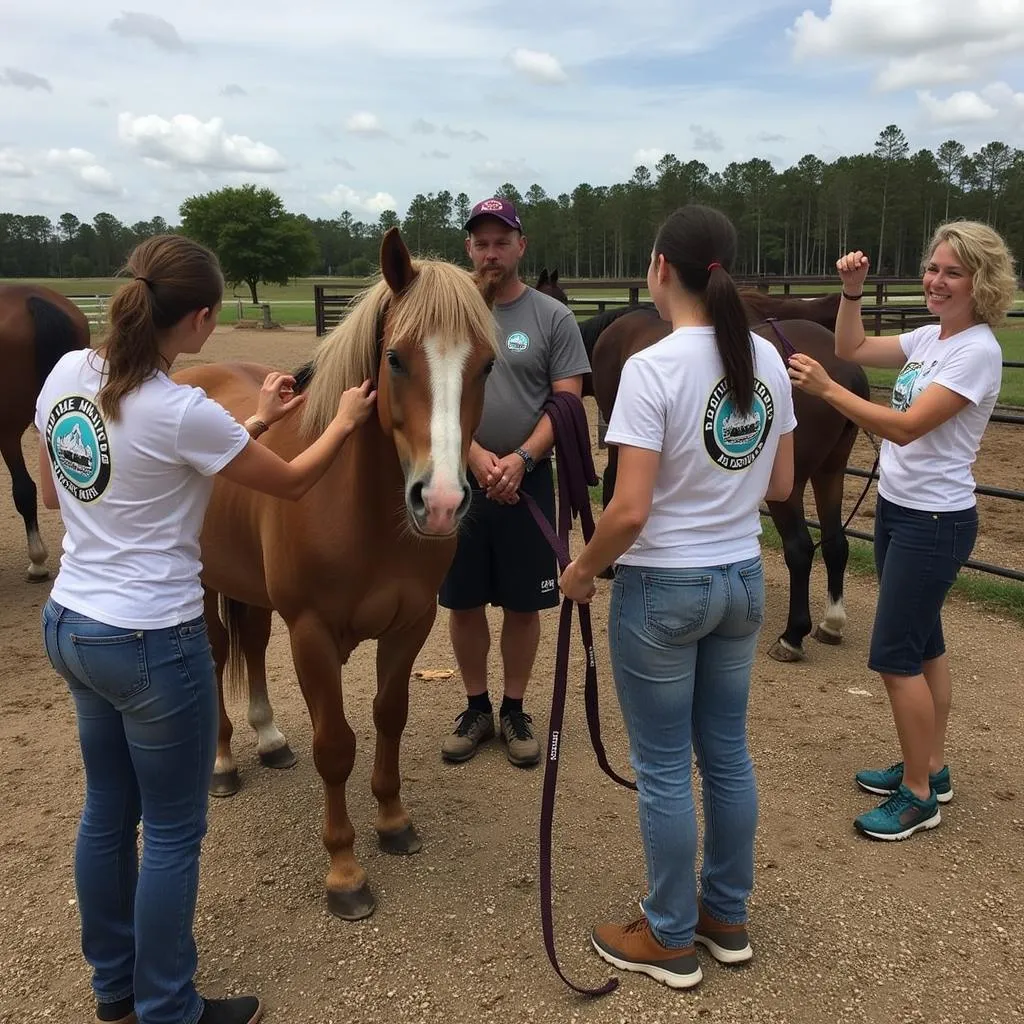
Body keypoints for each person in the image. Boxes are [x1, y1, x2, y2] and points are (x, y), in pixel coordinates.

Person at [34, 234, 376, 1024]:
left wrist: (253, 420)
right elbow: (292, 483)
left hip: (73, 623)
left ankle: (115, 987)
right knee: (177, 832)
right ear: (198, 319)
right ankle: (168, 1007)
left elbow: (55, 497)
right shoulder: (179, 408)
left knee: (107, 815)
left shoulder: (66, 376)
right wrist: (345, 420)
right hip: (152, 642)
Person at [559, 204, 796, 989]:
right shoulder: (764, 358)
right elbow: (785, 484)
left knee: (663, 769)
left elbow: (627, 510)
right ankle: (724, 916)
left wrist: (582, 569)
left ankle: (666, 935)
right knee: (725, 753)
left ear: (661, 269)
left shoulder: (650, 370)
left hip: (664, 587)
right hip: (741, 580)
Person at [787, 220, 1015, 842]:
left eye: (952, 272)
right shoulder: (932, 337)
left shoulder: (976, 352)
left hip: (934, 520)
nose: (936, 281)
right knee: (925, 647)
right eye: (933, 268)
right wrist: (852, 293)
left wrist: (828, 391)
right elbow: (855, 348)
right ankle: (929, 767)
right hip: (900, 508)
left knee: (893, 656)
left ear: (981, 282)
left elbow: (908, 426)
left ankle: (919, 796)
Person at [438, 197, 591, 767]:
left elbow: (567, 400)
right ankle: (476, 706)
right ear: (468, 249)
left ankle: (514, 708)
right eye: (481, 242)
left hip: (529, 481)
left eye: (502, 241)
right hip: (463, 477)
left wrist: (522, 460)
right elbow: (437, 397)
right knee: (464, 599)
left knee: (525, 605)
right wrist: (475, 456)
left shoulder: (551, 318)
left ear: (521, 247)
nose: (491, 252)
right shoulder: (451, 319)